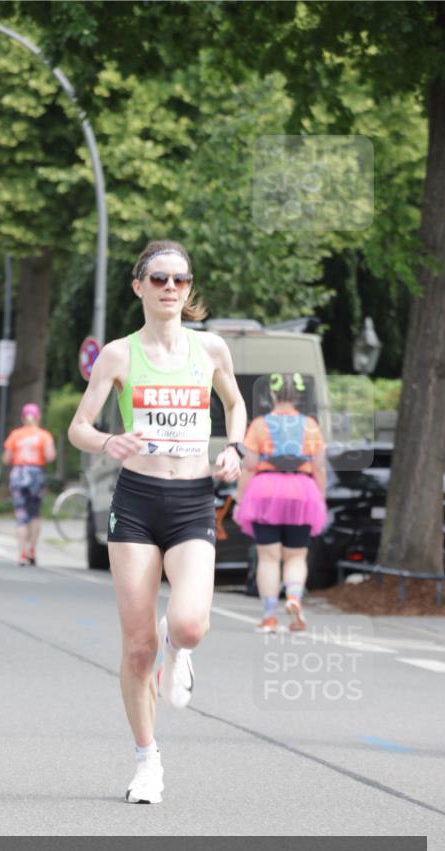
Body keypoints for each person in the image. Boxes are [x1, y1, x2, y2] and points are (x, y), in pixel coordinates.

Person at [68, 239, 246, 804]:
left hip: (193, 499)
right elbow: (79, 427)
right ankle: (148, 761)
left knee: (189, 625)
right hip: (137, 502)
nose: (172, 288)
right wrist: (107, 440)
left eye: (181, 280)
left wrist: (235, 447)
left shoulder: (211, 349)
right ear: (139, 285)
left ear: (189, 289)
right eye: (160, 278)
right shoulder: (119, 355)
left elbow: (236, 404)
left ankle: (182, 649)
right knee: (138, 646)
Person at [234, 372, 327, 633]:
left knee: (268, 557)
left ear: (272, 395)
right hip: (302, 492)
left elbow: (249, 467)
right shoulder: (310, 425)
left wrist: (240, 500)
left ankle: (269, 617)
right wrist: (319, 497)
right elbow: (318, 468)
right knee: (297, 555)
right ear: (298, 397)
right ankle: (294, 597)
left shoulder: (260, 425)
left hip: (265, 492)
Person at [2, 403, 56, 566]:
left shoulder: (15, 435)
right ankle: (32, 549)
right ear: (38, 417)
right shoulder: (44, 435)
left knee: (21, 515)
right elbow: (50, 456)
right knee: (34, 514)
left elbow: (5, 459)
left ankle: (21, 553)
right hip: (36, 475)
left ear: (23, 418)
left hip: (18, 474)